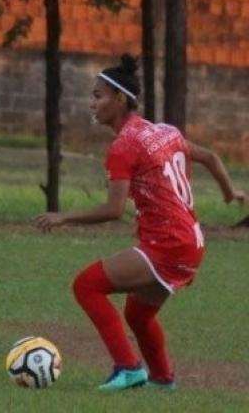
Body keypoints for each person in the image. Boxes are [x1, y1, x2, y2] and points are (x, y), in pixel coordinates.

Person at [35, 55, 245, 391]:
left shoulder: (124, 146)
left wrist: (64, 217)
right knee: (138, 315)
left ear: (120, 99)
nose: (92, 104)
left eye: (98, 96)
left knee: (86, 285)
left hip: (168, 243)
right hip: (192, 242)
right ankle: (162, 380)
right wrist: (229, 192)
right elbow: (210, 157)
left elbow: (113, 210)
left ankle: (128, 368)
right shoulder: (164, 131)